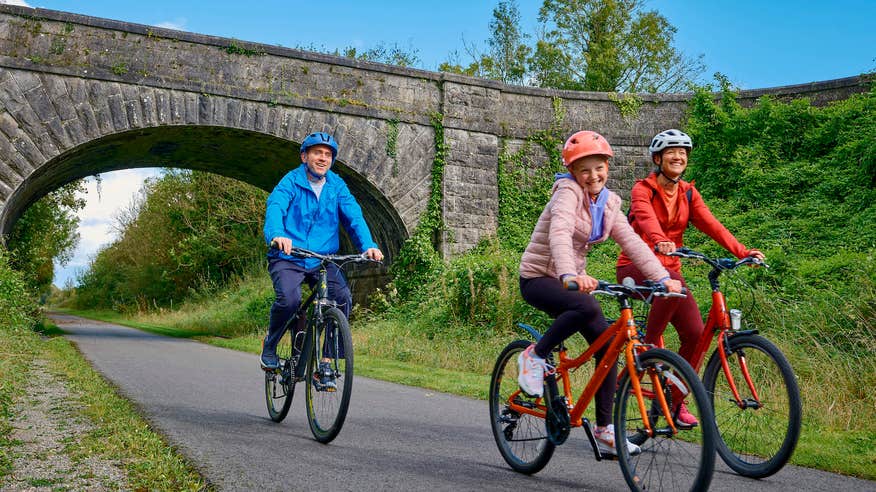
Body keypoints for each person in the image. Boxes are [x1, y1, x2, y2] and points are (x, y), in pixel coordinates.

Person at [517, 130, 682, 456]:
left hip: (569, 278)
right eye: (584, 170)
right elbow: (560, 232)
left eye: (599, 168)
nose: (593, 176)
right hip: (539, 277)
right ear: (574, 173)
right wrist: (569, 273)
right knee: (587, 307)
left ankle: (606, 430)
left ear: (608, 166)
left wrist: (662, 277)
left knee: (608, 345)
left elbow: (633, 243)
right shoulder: (566, 193)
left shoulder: (608, 203)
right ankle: (534, 355)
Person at [616, 128, 764, 426]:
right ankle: (645, 350)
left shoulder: (688, 193)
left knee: (696, 336)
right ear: (658, 158)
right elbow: (644, 218)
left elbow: (713, 225)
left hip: (671, 276)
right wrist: (658, 240)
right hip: (636, 268)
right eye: (671, 151)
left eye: (683, 152)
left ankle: (672, 400)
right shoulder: (642, 189)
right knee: (669, 299)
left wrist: (742, 251)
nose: (678, 156)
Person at [261, 131, 384, 387]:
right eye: (318, 153)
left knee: (342, 299)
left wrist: (369, 245)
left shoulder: (337, 185)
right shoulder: (290, 182)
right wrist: (277, 234)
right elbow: (275, 207)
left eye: (328, 155)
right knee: (289, 299)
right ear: (305, 156)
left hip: (323, 258)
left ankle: (326, 363)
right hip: (289, 255)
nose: (323, 158)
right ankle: (270, 345)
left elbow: (354, 216)